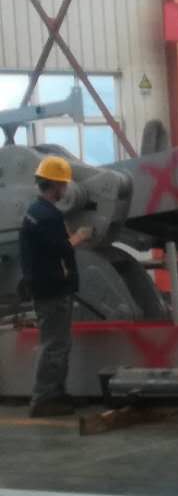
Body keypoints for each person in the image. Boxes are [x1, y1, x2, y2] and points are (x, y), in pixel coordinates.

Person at [20, 156, 91, 417]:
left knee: (58, 344)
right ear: (54, 185)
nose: (65, 189)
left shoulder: (35, 211)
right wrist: (80, 236)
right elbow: (60, 248)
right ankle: (43, 399)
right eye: (63, 184)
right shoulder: (48, 216)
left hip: (44, 286)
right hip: (53, 289)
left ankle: (56, 394)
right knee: (54, 345)